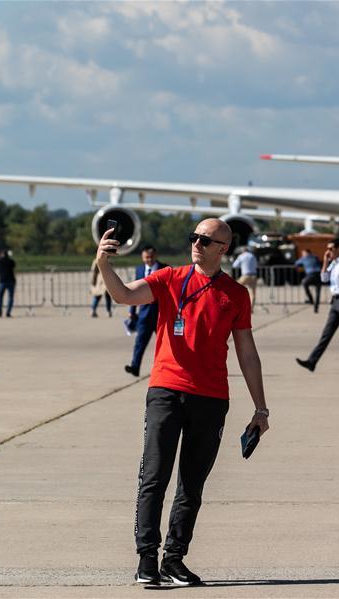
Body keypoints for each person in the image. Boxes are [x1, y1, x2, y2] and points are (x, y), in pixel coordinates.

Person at [96, 218, 269, 586]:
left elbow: (247, 354)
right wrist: (103, 265)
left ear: (224, 248)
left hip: (210, 398)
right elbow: (124, 295)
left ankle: (174, 559)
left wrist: (261, 409)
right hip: (166, 391)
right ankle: (147, 559)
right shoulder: (169, 279)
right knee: (154, 476)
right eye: (194, 238)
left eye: (206, 241)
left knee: (192, 485)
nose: (197, 244)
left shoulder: (235, 295)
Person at [295, 238, 339, 373]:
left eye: (331, 249)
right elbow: (324, 278)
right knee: (326, 334)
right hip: (335, 302)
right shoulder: (334, 263)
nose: (328, 251)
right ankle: (311, 362)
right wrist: (326, 261)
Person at [124, 246, 167, 376]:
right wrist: (132, 310)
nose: (148, 259)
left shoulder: (165, 269)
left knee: (166, 342)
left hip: (161, 314)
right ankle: (135, 367)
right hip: (144, 314)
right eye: (146, 257)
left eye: (151, 257)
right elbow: (134, 291)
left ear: (155, 256)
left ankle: (167, 368)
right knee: (140, 342)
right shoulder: (140, 270)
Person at [232, 246, 258, 312]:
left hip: (245, 275)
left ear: (242, 251)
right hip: (253, 275)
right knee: (253, 293)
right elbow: (256, 265)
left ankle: (235, 306)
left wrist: (242, 265)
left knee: (233, 289)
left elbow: (235, 265)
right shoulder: (252, 255)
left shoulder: (241, 256)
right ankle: (251, 309)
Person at [0, 249, 16, 318]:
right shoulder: (11, 261)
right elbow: (14, 265)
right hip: (11, 281)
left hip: (2, 281)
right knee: (10, 297)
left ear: (1, 254)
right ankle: (8, 312)